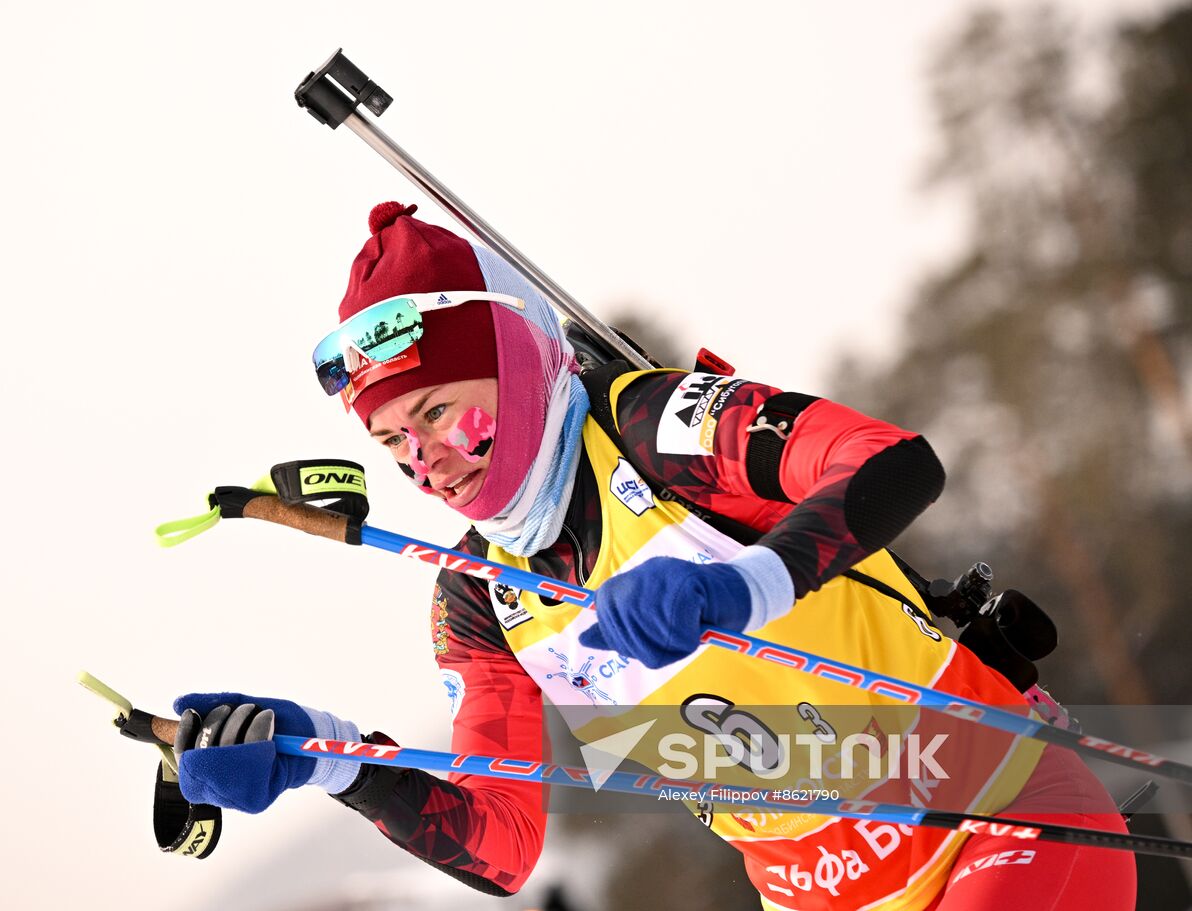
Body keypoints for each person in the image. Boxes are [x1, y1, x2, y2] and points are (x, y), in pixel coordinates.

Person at [172, 202, 1137, 910]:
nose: (423, 457)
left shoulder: (651, 429)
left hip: (1002, 814)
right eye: (392, 441)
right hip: (819, 894)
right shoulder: (478, 596)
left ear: (515, 362)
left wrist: (744, 584)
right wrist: (328, 758)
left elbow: (893, 460)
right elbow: (501, 845)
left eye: (434, 409)